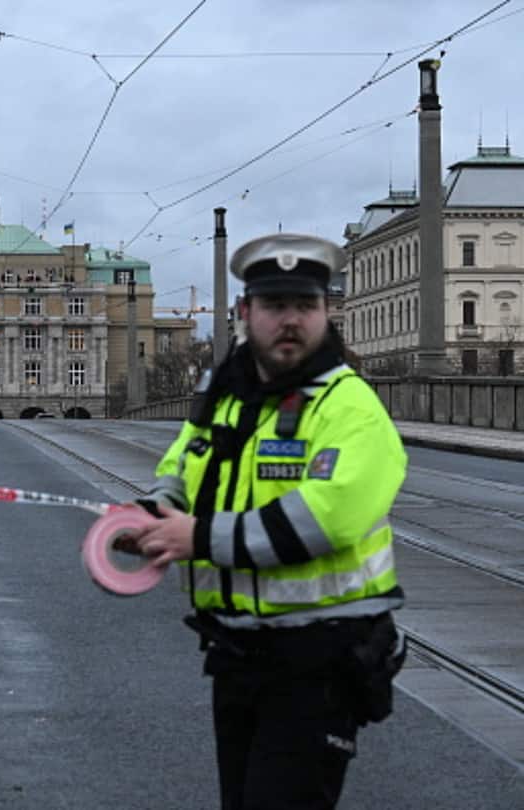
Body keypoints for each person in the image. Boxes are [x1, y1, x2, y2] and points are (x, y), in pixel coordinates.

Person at [130, 233, 408, 810]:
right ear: (244, 314)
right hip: (236, 654)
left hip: (321, 659)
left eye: (305, 307)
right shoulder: (227, 399)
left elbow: (327, 516)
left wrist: (198, 537)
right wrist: (151, 515)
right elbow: (181, 470)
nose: (291, 321)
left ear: (326, 314)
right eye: (276, 306)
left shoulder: (348, 405)